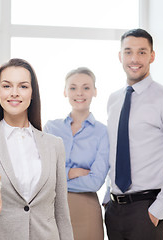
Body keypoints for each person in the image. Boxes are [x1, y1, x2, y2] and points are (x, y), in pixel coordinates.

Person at [0, 58, 74, 240]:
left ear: (32, 94)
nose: (15, 93)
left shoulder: (54, 144)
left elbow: (61, 211)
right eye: (7, 86)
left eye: (23, 86)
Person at [104, 28, 163, 240]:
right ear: (120, 56)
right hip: (114, 211)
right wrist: (108, 197)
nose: (134, 59)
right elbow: (115, 151)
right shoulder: (113, 100)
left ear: (152, 56)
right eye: (128, 52)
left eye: (142, 52)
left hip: (146, 209)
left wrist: (158, 210)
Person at [44, 67, 109, 240]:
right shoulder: (51, 128)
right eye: (73, 87)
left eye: (86, 87)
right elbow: (43, 173)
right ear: (65, 92)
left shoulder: (103, 132)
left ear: (95, 92)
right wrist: (72, 172)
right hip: (51, 210)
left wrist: (58, 176)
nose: (79, 93)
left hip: (86, 210)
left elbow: (95, 182)